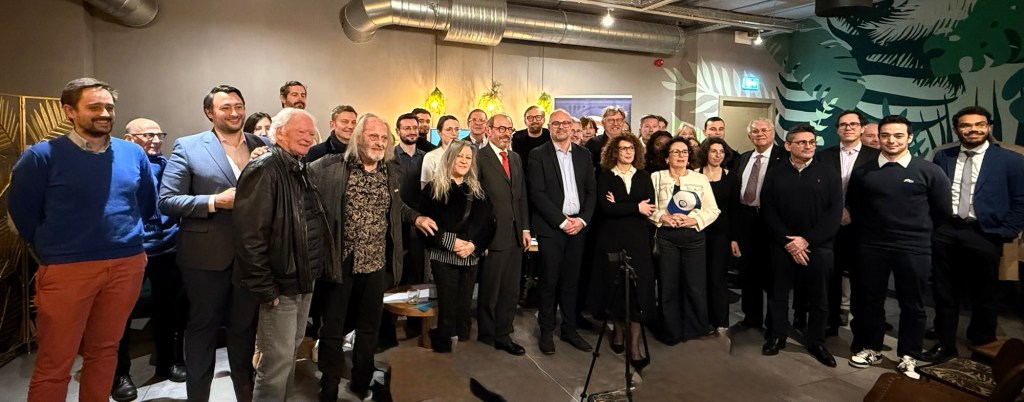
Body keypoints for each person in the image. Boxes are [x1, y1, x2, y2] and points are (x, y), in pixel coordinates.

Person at [9, 77, 156, 402]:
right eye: (94, 107)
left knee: (105, 350)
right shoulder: (41, 157)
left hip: (127, 265)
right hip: (67, 269)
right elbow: (22, 212)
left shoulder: (133, 153)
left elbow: (147, 203)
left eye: (109, 107)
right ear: (69, 111)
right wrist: (56, 249)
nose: (104, 113)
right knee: (55, 361)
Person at [309, 113, 437, 400]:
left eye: (383, 138)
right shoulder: (330, 167)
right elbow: (301, 187)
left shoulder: (391, 171)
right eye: (373, 136)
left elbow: (397, 206)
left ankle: (361, 380)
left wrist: (415, 218)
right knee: (332, 327)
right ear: (358, 138)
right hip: (341, 261)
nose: (379, 142)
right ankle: (329, 384)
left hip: (376, 261)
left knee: (369, 327)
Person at [160, 85, 267, 402]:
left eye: (239, 106)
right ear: (210, 113)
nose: (234, 112)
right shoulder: (189, 146)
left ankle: (245, 396)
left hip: (251, 257)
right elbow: (167, 201)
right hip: (204, 258)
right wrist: (214, 201)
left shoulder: (263, 145)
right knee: (202, 330)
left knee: (244, 331)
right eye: (225, 107)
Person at [234, 108, 332, 400]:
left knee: (288, 355)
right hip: (280, 285)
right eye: (300, 132)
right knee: (275, 363)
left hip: (302, 281)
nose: (308, 138)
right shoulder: (264, 168)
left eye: (311, 133)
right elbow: (249, 236)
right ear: (279, 133)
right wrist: (265, 287)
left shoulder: (300, 167)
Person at [846, 115, 952, 379]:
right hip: (872, 246)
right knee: (870, 300)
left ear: (909, 138)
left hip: (914, 248)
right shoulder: (863, 172)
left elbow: (942, 211)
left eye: (898, 135)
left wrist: (917, 234)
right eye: (885, 135)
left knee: (912, 304)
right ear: (878, 138)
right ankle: (872, 348)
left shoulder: (929, 171)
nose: (891, 140)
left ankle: (909, 355)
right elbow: (855, 206)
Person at [926, 106, 1024, 362]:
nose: (973, 130)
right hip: (946, 231)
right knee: (944, 292)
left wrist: (1006, 231)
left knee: (985, 293)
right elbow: (934, 192)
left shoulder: (1011, 160)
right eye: (966, 125)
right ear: (957, 129)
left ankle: (982, 344)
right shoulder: (943, 156)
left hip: (985, 233)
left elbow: (1021, 199)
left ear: (989, 127)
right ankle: (945, 343)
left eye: (979, 124)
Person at [112, 119, 187, 402]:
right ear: (129, 139)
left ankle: (169, 362)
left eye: (159, 134)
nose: (156, 140)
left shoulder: (169, 165)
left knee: (169, 311)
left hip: (167, 248)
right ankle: (120, 374)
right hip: (132, 250)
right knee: (121, 317)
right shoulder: (119, 166)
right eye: (148, 135)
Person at [760, 124, 843, 368]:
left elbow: (834, 212)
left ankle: (816, 341)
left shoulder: (828, 173)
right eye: (802, 142)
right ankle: (777, 335)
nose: (809, 146)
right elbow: (768, 209)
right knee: (778, 294)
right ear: (788, 145)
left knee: (819, 298)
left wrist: (806, 241)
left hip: (818, 246)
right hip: (782, 245)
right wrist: (789, 242)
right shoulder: (775, 173)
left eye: (812, 142)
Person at [528, 109, 597, 355]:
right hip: (552, 229)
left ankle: (569, 329)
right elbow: (537, 193)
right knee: (549, 281)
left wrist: (582, 221)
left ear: (571, 126)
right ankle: (546, 331)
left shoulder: (584, 155)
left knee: (571, 281)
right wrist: (561, 221)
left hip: (578, 228)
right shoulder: (538, 155)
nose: (561, 127)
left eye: (565, 123)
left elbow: (591, 192)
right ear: (550, 127)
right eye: (556, 123)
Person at [419, 141, 496, 351]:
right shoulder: (433, 189)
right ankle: (443, 346)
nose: (463, 161)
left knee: (464, 305)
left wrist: (474, 246)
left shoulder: (478, 191)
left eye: (468, 158)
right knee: (447, 305)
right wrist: (450, 242)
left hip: (470, 257)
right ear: (450, 158)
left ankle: (461, 343)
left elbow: (490, 224)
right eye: (459, 156)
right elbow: (424, 225)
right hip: (444, 257)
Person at [591, 133, 657, 369]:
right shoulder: (606, 176)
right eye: (623, 148)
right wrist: (635, 207)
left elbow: (649, 207)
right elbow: (605, 209)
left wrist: (620, 205)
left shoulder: (643, 176)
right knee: (615, 287)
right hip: (611, 239)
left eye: (631, 148)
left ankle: (635, 346)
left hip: (638, 240)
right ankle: (618, 332)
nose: (628, 152)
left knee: (638, 289)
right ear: (614, 152)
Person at [815, 110, 880, 345]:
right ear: (837, 129)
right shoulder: (824, 156)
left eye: (853, 124)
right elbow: (817, 190)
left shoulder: (877, 157)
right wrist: (836, 212)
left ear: (862, 128)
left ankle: (861, 332)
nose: (848, 128)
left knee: (862, 281)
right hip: (829, 227)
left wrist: (850, 210)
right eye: (843, 124)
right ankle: (830, 323)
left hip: (862, 228)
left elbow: (878, 192)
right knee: (830, 278)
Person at [650, 137, 720, 344]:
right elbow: (649, 208)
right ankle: (670, 330)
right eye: (676, 152)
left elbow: (713, 210)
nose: (681, 156)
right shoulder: (656, 177)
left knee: (695, 284)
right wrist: (662, 218)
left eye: (684, 152)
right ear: (666, 157)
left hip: (694, 236)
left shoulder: (700, 179)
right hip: (666, 237)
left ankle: (695, 328)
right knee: (668, 284)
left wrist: (694, 220)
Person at [475, 113, 531, 356]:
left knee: (510, 289)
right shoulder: (479, 158)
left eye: (509, 129)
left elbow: (521, 196)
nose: (506, 133)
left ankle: (504, 333)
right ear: (488, 130)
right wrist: (481, 238)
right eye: (501, 129)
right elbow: (476, 201)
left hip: (516, 235)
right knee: (491, 289)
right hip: (493, 235)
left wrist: (525, 228)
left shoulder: (515, 158)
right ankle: (487, 333)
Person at [733, 118, 788, 330]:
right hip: (746, 219)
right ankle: (751, 318)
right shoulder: (744, 158)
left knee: (774, 274)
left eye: (764, 130)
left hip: (772, 220)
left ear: (773, 133)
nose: (760, 134)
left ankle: (774, 323)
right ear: (749, 136)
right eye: (755, 131)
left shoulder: (784, 157)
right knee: (748, 272)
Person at [383, 113, 428, 345]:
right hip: (395, 224)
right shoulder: (389, 158)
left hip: (420, 223)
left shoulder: (426, 157)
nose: (411, 131)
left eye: (414, 127)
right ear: (398, 130)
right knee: (394, 275)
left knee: (418, 275)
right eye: (406, 127)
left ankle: (415, 324)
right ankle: (388, 327)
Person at [697, 137, 741, 332]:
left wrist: (734, 238)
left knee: (717, 278)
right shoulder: (694, 175)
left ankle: (720, 322)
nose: (718, 155)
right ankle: (700, 321)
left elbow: (735, 210)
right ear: (705, 152)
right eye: (713, 151)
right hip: (698, 232)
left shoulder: (731, 177)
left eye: (721, 152)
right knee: (698, 278)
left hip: (721, 235)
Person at [421, 115, 460, 187]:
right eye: (449, 129)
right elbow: (425, 186)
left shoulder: (465, 155)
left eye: (456, 129)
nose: (454, 133)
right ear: (439, 132)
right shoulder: (431, 157)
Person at [585, 106, 628, 171]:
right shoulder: (593, 143)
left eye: (619, 120)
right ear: (603, 123)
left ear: (623, 123)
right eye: (610, 120)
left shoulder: (631, 143)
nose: (615, 123)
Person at [512, 105, 551, 174]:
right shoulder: (515, 138)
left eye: (538, 117)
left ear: (543, 120)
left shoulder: (551, 137)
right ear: (525, 121)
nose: (534, 120)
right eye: (530, 118)